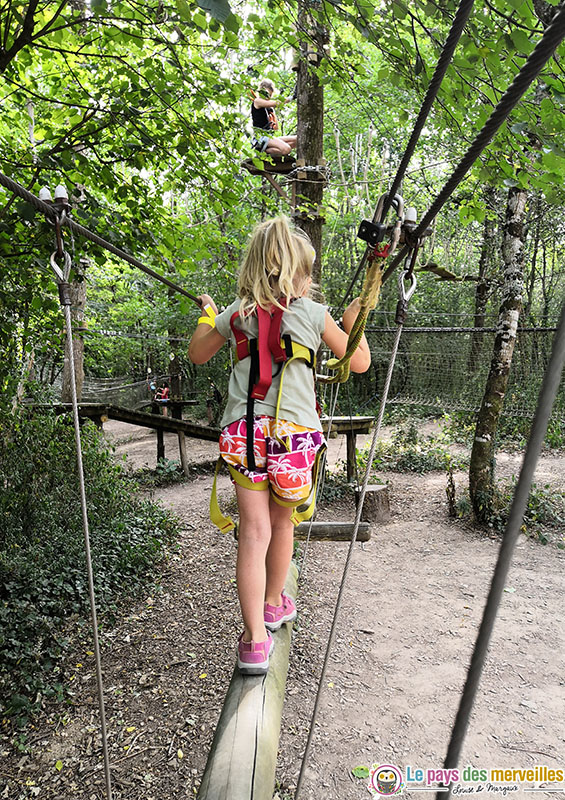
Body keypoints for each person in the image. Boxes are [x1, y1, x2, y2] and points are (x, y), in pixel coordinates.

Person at [188, 216, 370, 675]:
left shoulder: (236, 313)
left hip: (244, 432)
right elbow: (360, 362)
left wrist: (207, 314)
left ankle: (253, 642)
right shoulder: (312, 313)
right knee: (282, 521)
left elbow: (197, 353)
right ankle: (273, 602)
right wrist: (353, 320)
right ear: (301, 275)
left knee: (252, 532)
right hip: (294, 432)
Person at [251, 78, 297, 157]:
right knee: (287, 149)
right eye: (267, 94)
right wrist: (291, 98)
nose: (268, 97)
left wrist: (272, 114)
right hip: (261, 138)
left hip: (269, 137)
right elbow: (276, 103)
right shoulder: (257, 101)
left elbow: (276, 128)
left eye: (270, 95)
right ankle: (263, 153)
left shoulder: (268, 108)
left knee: (297, 140)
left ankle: (266, 150)